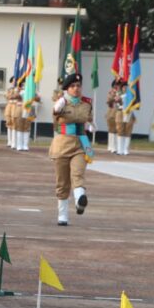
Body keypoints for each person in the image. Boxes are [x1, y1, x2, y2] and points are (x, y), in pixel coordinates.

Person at [49, 73, 94, 226]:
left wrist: (91, 125)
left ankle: (80, 200)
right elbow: (55, 115)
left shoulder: (87, 104)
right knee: (62, 182)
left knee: (78, 174)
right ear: (67, 89)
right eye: (73, 86)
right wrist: (60, 104)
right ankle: (63, 215)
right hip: (62, 144)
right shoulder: (61, 102)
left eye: (78, 86)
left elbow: (88, 118)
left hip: (81, 143)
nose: (76, 88)